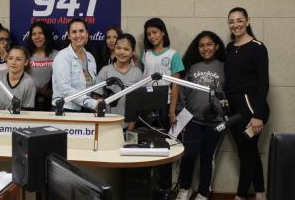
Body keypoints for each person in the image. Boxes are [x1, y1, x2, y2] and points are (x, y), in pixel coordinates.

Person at [175, 31, 226, 200]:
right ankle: (184, 188)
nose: (206, 48)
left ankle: (203, 193)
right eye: (202, 45)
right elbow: (182, 92)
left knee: (206, 158)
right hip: (193, 120)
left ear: (216, 46)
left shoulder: (224, 66)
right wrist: (181, 114)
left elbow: (231, 93)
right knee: (188, 155)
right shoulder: (192, 67)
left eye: (209, 44)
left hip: (216, 122)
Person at [224, 7, 269, 200]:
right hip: (234, 109)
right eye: (232, 21)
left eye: (240, 20)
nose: (236, 24)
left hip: (251, 107)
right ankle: (260, 192)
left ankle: (240, 196)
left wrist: (257, 114)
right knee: (247, 151)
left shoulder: (258, 47)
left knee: (247, 153)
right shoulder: (229, 48)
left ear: (248, 21)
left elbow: (263, 83)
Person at [141, 17, 184, 200]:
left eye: (155, 32)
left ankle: (165, 189)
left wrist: (172, 110)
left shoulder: (173, 55)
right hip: (148, 106)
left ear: (163, 33)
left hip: (166, 106)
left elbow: (176, 85)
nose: (152, 36)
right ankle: (151, 188)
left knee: (164, 148)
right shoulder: (146, 55)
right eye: (149, 33)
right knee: (148, 146)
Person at [94, 33, 142, 129]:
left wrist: (130, 128)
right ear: (114, 49)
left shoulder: (137, 73)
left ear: (132, 52)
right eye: (118, 48)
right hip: (107, 124)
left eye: (126, 49)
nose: (121, 52)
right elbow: (97, 98)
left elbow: (138, 104)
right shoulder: (105, 71)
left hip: (129, 126)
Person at [52, 18, 99, 112]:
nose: (78, 35)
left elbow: (91, 86)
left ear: (86, 34)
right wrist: (91, 103)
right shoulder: (62, 56)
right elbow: (64, 88)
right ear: (69, 36)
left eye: (81, 31)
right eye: (74, 32)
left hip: (85, 109)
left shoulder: (90, 57)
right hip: (65, 109)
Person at [0, 46, 36, 111]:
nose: (13, 62)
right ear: (7, 59)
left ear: (26, 62)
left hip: (17, 119)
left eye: (18, 59)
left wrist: (11, 120)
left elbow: (26, 110)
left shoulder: (29, 82)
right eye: (10, 58)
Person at [26, 21, 58, 111]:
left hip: (49, 102)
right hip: (27, 99)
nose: (37, 37)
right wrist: (40, 90)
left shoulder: (57, 55)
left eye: (40, 33)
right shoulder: (25, 54)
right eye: (34, 34)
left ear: (46, 35)